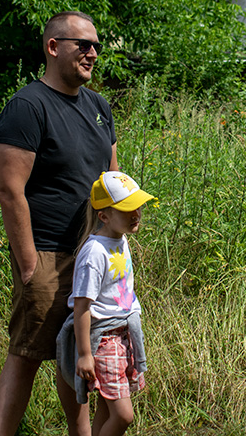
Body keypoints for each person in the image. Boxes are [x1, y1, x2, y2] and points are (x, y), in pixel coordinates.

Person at [0, 11, 118, 436]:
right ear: (53, 47)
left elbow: (112, 181)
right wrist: (28, 263)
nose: (93, 53)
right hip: (46, 252)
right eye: (83, 45)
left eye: (97, 45)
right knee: (27, 353)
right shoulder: (27, 107)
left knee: (76, 351)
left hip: (94, 253)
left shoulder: (99, 106)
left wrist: (116, 242)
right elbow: (11, 191)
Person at [66, 171, 153, 436]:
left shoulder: (121, 240)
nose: (136, 213)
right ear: (104, 216)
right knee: (124, 415)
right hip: (104, 338)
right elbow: (81, 306)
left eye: (137, 205)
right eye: (127, 208)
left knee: (107, 407)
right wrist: (84, 354)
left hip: (123, 334)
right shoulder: (94, 252)